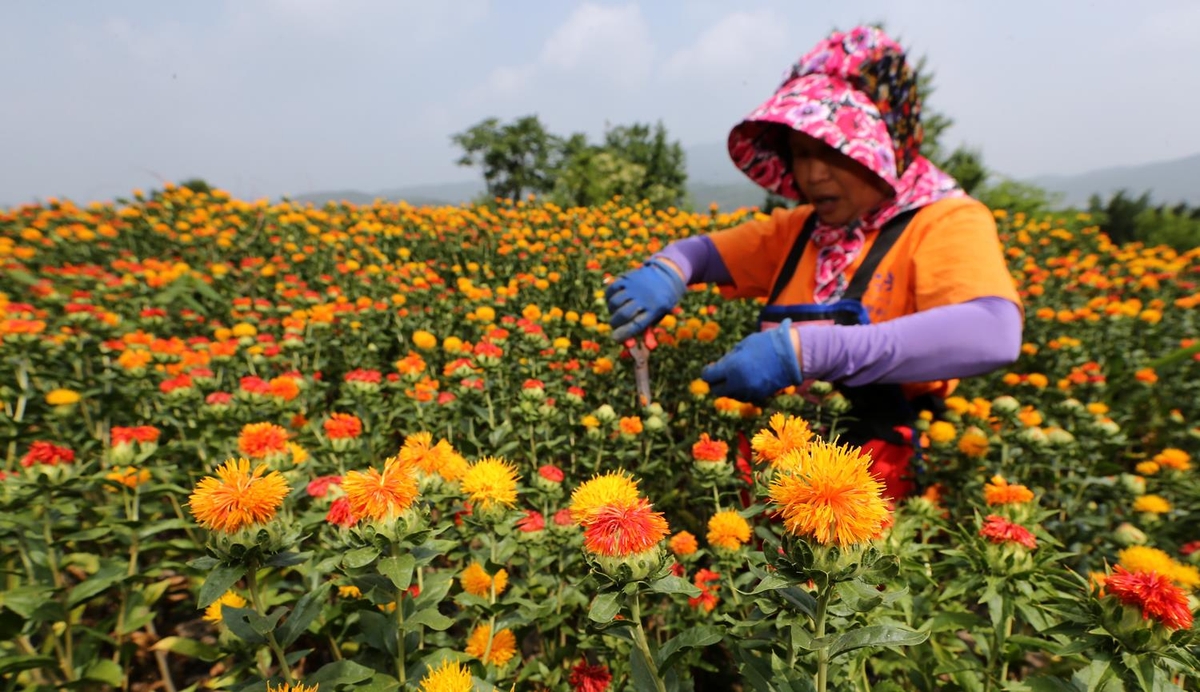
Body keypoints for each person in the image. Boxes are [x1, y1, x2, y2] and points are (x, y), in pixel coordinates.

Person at [603, 25, 1023, 499]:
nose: (812, 173)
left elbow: (993, 331)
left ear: (889, 145)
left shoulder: (944, 221)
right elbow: (700, 253)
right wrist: (667, 271)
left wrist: (807, 353)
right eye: (800, 153)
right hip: (774, 478)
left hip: (876, 493)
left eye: (833, 152)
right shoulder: (800, 230)